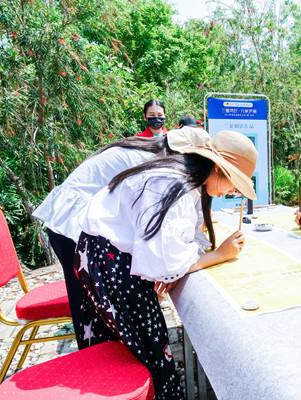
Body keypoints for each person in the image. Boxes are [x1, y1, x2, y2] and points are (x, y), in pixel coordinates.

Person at [75, 130, 257, 400]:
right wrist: (220, 255)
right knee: (149, 353)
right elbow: (165, 265)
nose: (232, 192)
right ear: (218, 168)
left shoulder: (184, 178)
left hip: (106, 257)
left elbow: (176, 245)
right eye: (234, 184)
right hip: (112, 264)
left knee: (133, 348)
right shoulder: (174, 186)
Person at [32, 127, 211, 349]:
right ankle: (99, 357)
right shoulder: (155, 164)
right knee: (91, 304)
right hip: (73, 222)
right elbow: (152, 226)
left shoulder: (149, 152)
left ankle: (111, 352)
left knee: (97, 300)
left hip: (77, 219)